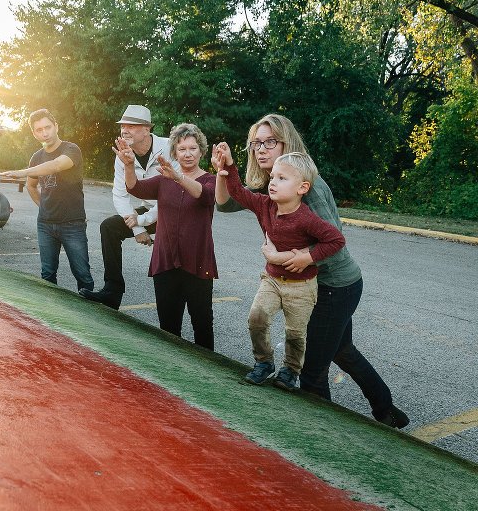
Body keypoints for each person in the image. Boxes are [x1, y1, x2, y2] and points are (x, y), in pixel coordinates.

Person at [215, 113, 409, 427]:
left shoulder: (309, 189)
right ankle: (387, 411)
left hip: (335, 286)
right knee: (342, 350)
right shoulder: (274, 184)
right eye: (255, 144)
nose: (261, 149)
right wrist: (224, 171)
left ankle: (320, 436)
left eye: (269, 142)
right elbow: (225, 204)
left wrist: (286, 257)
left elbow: (333, 239)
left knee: (311, 372)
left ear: (287, 144)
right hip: (320, 285)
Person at [213, 148, 346, 391]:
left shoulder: (307, 218)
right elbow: (238, 192)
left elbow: (336, 240)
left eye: (282, 179)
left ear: (302, 188)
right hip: (272, 280)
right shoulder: (264, 205)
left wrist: (308, 257)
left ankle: (291, 370)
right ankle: (263, 362)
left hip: (302, 287)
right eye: (273, 177)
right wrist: (230, 166)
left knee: (295, 333)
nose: (273, 182)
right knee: (257, 318)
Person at [119, 123, 217, 349]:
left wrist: (178, 178)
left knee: (202, 325)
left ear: (201, 151)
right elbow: (135, 188)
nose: (188, 154)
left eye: (193, 148)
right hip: (165, 262)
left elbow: (205, 196)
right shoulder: (164, 180)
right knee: (168, 329)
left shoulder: (210, 181)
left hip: (197, 262)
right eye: (182, 149)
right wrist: (129, 165)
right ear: (174, 152)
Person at [79, 105, 177, 309]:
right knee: (109, 227)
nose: (125, 130)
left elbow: (174, 196)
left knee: (171, 267)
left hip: (176, 214)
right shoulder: (122, 154)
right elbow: (119, 194)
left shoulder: (170, 147)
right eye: (123, 126)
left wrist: (143, 221)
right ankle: (112, 292)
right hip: (148, 213)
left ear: (147, 129)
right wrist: (138, 228)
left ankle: (173, 306)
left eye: (132, 126)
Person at [0, 109, 94, 292]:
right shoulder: (36, 157)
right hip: (45, 225)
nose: (45, 133)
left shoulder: (71, 149)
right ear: (34, 133)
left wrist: (22, 172)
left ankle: (92, 314)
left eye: (48, 127)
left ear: (56, 126)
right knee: (47, 275)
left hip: (72, 223)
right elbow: (31, 186)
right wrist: (44, 207)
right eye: (39, 130)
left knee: (83, 275)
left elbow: (57, 165)